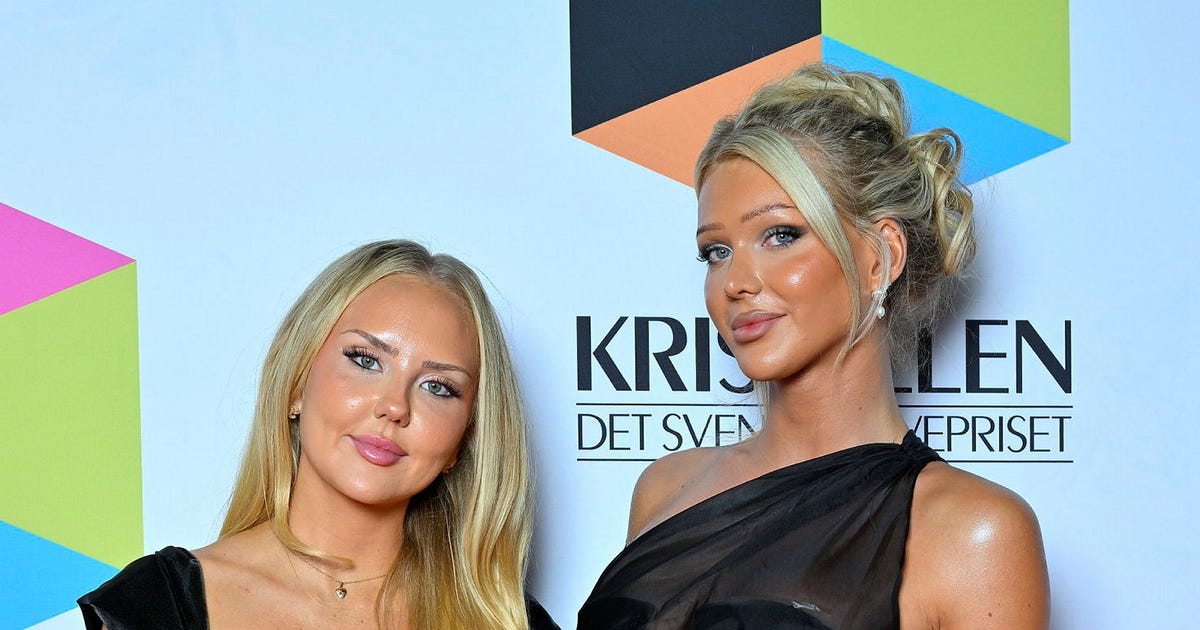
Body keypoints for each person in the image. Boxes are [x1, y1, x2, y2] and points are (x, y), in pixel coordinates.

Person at [578, 65, 1050, 629]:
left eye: (781, 235)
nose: (735, 282)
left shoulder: (974, 532)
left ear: (880, 257)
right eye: (716, 252)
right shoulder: (664, 489)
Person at [79, 240, 558, 629]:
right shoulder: (159, 605)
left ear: (465, 439)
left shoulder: (506, 619)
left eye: (438, 387)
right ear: (296, 383)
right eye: (366, 360)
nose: (394, 407)